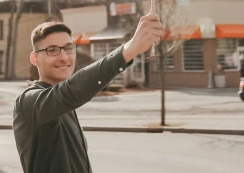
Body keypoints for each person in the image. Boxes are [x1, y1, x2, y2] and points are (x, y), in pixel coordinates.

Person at [13, 12, 163, 173]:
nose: (64, 57)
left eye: (68, 48)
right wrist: (129, 49)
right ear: (34, 58)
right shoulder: (28, 102)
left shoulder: (67, 105)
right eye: (52, 50)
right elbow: (69, 91)